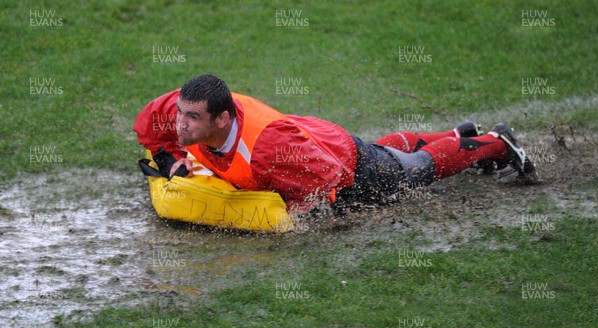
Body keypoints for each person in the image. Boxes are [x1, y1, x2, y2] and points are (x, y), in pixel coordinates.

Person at [134, 74, 537, 213]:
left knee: (412, 171)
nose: (179, 124)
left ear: (222, 119)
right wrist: (170, 161)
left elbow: (329, 180)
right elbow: (147, 129)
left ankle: (497, 142)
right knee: (389, 152)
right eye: (180, 112)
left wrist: (292, 213)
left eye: (191, 118)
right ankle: (457, 135)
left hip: (343, 165)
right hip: (316, 137)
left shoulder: (268, 149)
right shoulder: (183, 104)